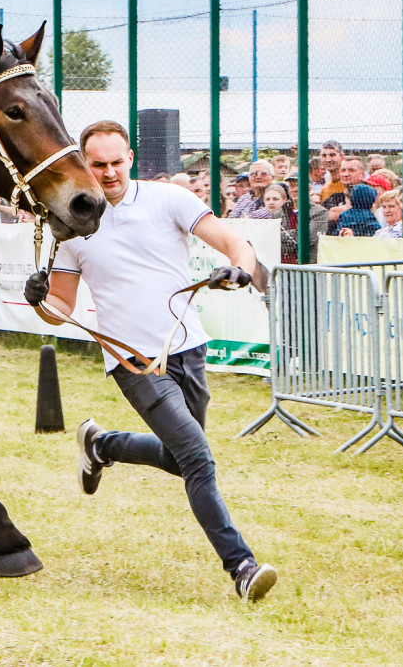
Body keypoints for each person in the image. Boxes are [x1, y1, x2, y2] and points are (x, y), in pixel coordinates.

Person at [23, 119, 277, 602]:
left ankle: (102, 446)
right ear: (84, 164)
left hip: (188, 348)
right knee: (198, 457)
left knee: (179, 458)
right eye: (98, 165)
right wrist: (38, 298)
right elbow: (58, 310)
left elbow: (236, 244)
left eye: (117, 162)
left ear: (131, 158)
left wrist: (241, 272)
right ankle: (241, 566)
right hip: (133, 363)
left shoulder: (170, 200)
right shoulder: (74, 223)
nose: (110, 172)